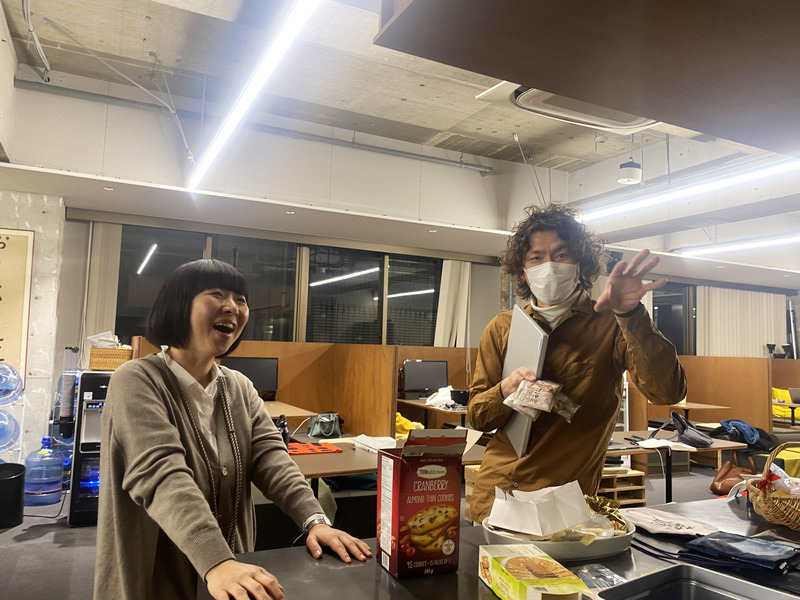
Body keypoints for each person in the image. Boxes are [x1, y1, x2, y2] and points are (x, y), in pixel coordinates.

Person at [94, 259, 372, 600]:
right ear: (179, 305)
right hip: (157, 571)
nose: (233, 307)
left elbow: (272, 459)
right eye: (217, 294)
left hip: (233, 571)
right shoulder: (136, 379)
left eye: (241, 299)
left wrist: (315, 520)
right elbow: (161, 475)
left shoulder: (239, 386)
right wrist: (216, 560)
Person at [467, 203, 687, 524]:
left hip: (563, 499)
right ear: (523, 271)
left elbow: (667, 391)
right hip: (497, 493)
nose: (549, 265)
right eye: (536, 257)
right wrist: (504, 390)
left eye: (561, 254)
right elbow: (477, 416)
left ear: (580, 265)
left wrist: (631, 314)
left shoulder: (612, 323)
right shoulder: (502, 328)